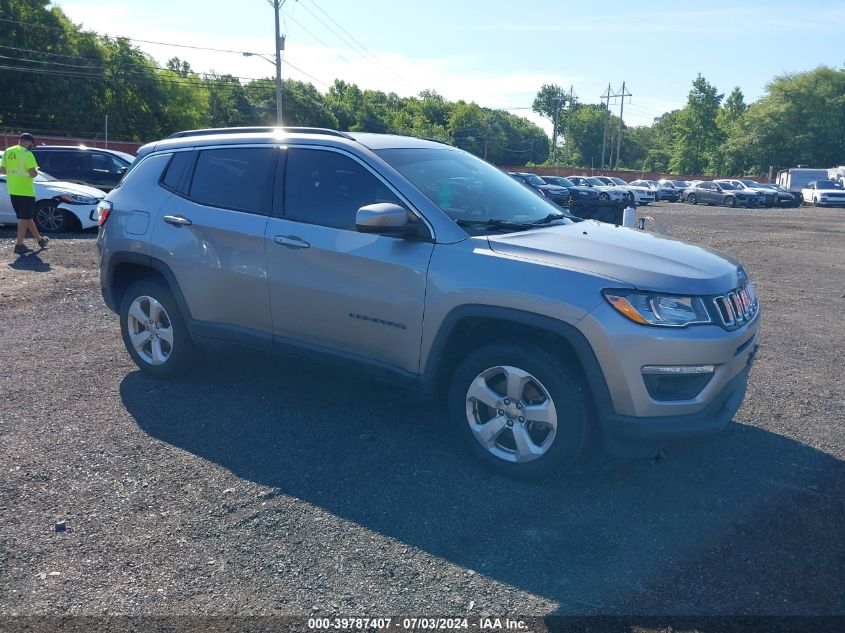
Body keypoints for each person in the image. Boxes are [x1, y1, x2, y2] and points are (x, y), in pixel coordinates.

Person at [1, 132, 49, 255]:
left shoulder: (8, 151)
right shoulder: (27, 154)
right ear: (28, 142)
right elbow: (33, 173)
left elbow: (3, 170)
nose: (30, 147)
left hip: (13, 189)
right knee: (24, 217)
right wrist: (34, 173)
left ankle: (40, 240)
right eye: (31, 144)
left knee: (26, 217)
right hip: (25, 191)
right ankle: (19, 245)